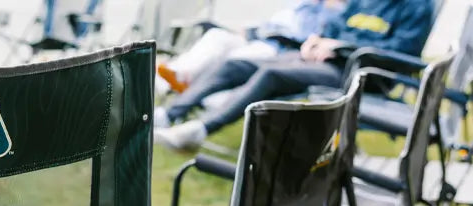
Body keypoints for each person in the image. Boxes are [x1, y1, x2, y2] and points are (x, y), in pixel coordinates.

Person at [154, 0, 434, 150]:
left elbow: (402, 54)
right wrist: (318, 39)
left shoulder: (417, 5)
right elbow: (336, 23)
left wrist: (341, 47)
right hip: (323, 59)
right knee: (238, 64)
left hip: (359, 73)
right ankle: (171, 113)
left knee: (272, 74)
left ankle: (201, 129)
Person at [154, 0, 345, 94]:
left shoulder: (332, 13)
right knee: (217, 36)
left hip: (278, 49)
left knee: (233, 60)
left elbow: (306, 36)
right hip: (259, 38)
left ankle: (180, 85)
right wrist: (250, 31)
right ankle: (175, 74)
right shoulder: (302, 5)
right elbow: (274, 23)